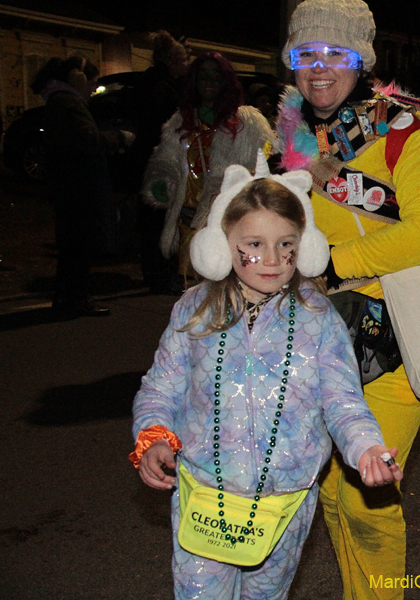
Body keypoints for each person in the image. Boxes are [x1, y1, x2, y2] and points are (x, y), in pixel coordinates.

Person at [131, 161, 403, 600]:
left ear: (305, 246)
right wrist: (153, 436)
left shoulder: (319, 319)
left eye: (287, 245)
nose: (273, 260)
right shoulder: (194, 311)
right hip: (205, 498)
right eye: (254, 244)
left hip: (285, 507)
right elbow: (161, 387)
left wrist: (366, 447)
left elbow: (343, 402)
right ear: (222, 245)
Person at [276, 0, 420, 597]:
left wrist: (335, 263)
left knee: (367, 495)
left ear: (362, 61)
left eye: (336, 54)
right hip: (322, 337)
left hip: (397, 336)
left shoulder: (403, 131)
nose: (319, 67)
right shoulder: (291, 135)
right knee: (329, 489)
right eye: (306, 54)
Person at [142, 52, 274, 290]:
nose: (209, 81)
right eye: (203, 76)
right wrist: (161, 182)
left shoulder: (247, 122)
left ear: (226, 81)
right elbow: (165, 161)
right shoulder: (180, 122)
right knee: (193, 293)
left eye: (216, 76)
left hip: (228, 222)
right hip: (189, 220)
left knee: (228, 289)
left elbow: (267, 159)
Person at [31, 55, 135, 317]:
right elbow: (87, 140)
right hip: (78, 187)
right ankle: (76, 299)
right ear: (78, 78)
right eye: (93, 83)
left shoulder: (60, 101)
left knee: (72, 246)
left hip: (69, 186)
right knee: (78, 247)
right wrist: (118, 138)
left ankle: (67, 299)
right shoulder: (68, 103)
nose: (93, 89)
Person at [130, 30, 191, 294]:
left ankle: (158, 272)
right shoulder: (161, 89)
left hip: (153, 161)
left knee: (156, 219)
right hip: (159, 163)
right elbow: (164, 129)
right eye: (181, 60)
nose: (185, 65)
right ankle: (159, 274)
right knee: (159, 219)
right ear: (169, 61)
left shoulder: (156, 85)